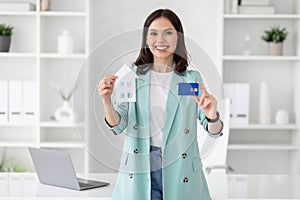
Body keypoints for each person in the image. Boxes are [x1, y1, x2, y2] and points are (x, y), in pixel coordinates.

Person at [98, 9, 223, 200]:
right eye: (154, 33)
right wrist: (106, 101)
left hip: (180, 169)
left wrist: (211, 115)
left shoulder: (189, 80)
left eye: (168, 32)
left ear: (178, 38)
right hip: (141, 167)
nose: (161, 39)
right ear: (146, 39)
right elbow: (119, 125)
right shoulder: (131, 76)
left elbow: (213, 130)